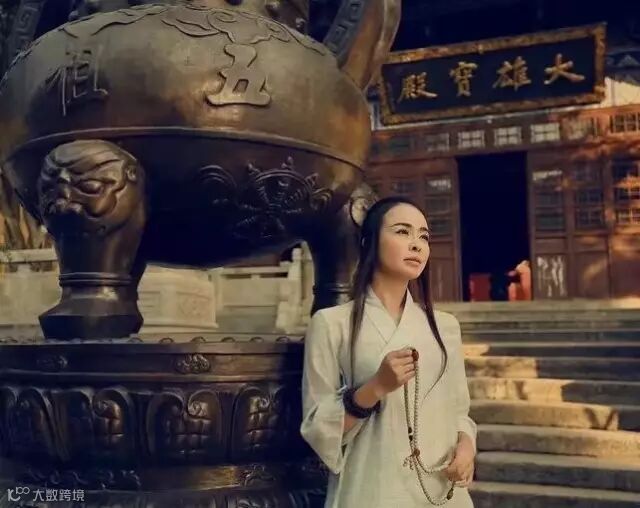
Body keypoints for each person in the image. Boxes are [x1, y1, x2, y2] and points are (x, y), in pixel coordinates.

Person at [300, 196, 476, 508]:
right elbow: (317, 428)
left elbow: (459, 412)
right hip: (373, 488)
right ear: (369, 242)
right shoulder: (331, 324)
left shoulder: (445, 327)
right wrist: (375, 387)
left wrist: (466, 448)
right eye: (402, 231)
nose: (417, 244)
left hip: (439, 489)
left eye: (423, 236)